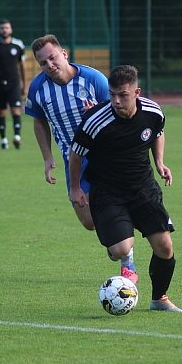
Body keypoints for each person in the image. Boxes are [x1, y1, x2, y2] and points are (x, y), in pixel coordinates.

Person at [69, 65, 182, 312]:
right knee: (122, 248)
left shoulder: (153, 112)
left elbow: (157, 133)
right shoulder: (96, 120)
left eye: (123, 95)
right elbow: (75, 154)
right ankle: (116, 245)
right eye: (112, 95)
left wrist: (160, 163)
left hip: (143, 188)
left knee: (165, 247)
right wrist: (75, 188)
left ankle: (159, 299)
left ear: (137, 92)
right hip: (108, 192)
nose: (116, 101)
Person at [25, 34, 110, 232]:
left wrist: (96, 113)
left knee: (116, 208)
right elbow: (39, 122)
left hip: (107, 154)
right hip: (74, 160)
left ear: (64, 53)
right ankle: (118, 241)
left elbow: (117, 113)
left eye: (53, 57)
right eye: (43, 62)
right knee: (89, 222)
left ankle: (125, 253)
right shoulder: (38, 88)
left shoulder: (93, 79)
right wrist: (47, 157)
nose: (50, 64)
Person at [0, 19, 27, 149]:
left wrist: (25, 84)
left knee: (16, 109)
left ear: (11, 30)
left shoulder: (18, 45)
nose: (4, 30)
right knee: (1, 112)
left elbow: (22, 66)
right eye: (2, 28)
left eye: (7, 28)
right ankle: (3, 140)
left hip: (14, 83)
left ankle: (17, 136)